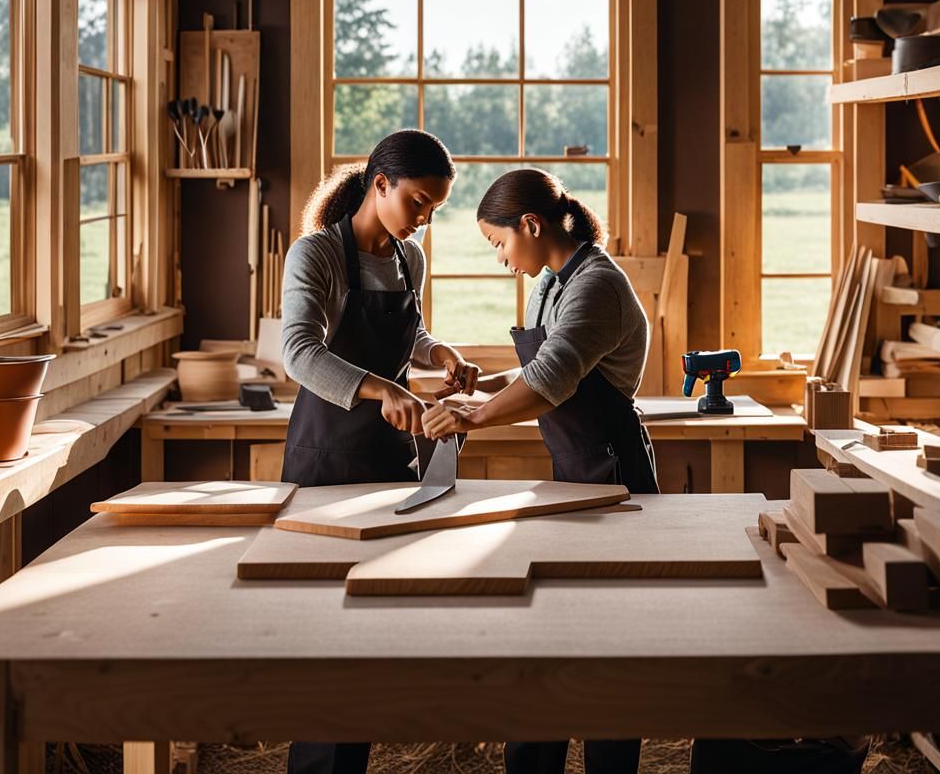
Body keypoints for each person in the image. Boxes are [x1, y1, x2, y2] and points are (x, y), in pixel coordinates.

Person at [422, 167, 658, 774]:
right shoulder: (552, 282)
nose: (502, 259)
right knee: (547, 632)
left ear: (530, 224)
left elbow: (552, 381)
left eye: (500, 243)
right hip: (570, 473)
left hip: (613, 476)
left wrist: (473, 421)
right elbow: (539, 368)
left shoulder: (597, 284)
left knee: (609, 646)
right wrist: (484, 386)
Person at [280, 129, 478, 774]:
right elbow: (299, 353)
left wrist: (439, 352)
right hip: (327, 449)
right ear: (380, 184)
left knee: (373, 616)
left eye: (434, 210)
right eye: (417, 202)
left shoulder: (408, 259)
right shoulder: (316, 254)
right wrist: (382, 388)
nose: (423, 220)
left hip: (396, 449)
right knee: (322, 624)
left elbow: (410, 330)